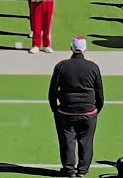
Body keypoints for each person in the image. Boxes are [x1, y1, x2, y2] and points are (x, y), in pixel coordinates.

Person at [48, 37, 103, 178]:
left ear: (71, 48)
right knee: (86, 141)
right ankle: (82, 170)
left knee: (67, 140)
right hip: (88, 112)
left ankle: (69, 169)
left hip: (66, 111)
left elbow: (52, 91)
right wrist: (96, 109)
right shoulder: (93, 67)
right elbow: (99, 93)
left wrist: (55, 109)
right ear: (85, 49)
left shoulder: (61, 66)